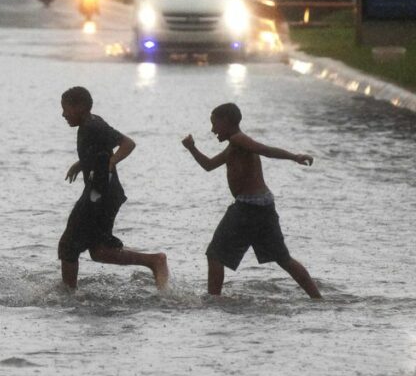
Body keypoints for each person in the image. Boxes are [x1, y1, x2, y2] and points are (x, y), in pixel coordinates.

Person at [182, 103, 321, 298]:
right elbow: (209, 165)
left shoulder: (239, 140)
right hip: (263, 207)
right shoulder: (233, 145)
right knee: (283, 258)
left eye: (215, 124)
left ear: (227, 122)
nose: (213, 130)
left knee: (215, 254)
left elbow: (266, 150)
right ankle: (317, 299)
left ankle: (213, 301)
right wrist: (192, 148)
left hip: (248, 207)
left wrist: (295, 157)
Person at [58, 87, 169, 291]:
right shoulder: (89, 124)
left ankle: (67, 294)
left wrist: (112, 161)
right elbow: (97, 151)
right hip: (102, 193)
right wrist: (81, 163)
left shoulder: (94, 126)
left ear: (80, 107)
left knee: (69, 245)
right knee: (99, 251)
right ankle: (153, 261)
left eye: (66, 109)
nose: (63, 114)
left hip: (101, 195)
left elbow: (128, 143)